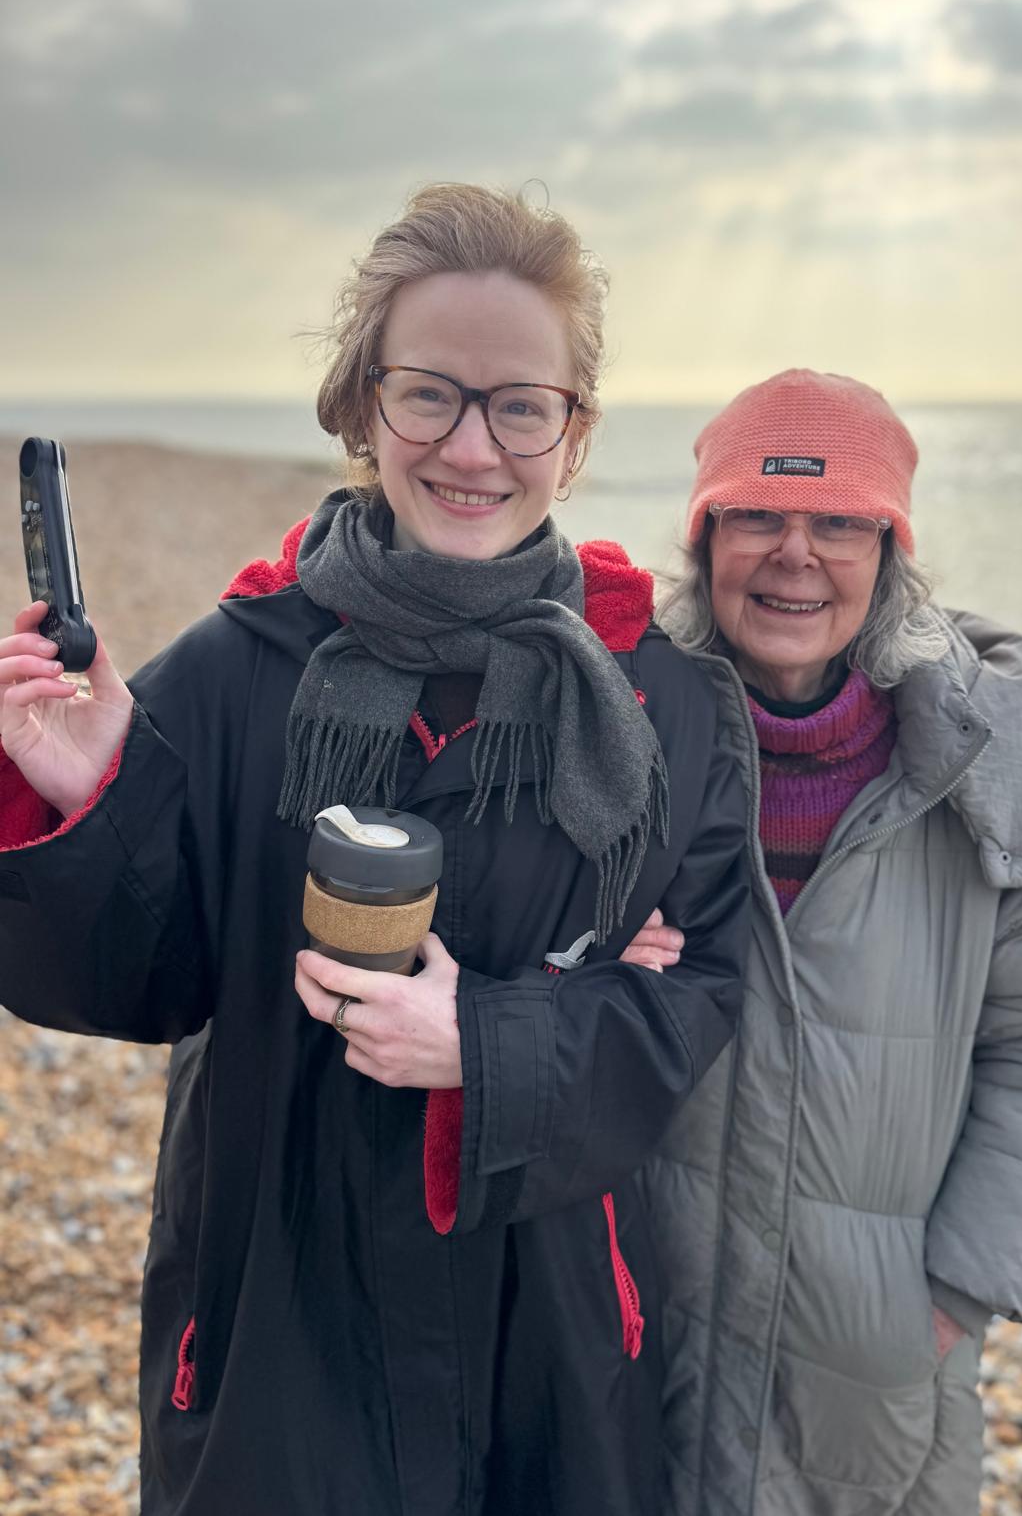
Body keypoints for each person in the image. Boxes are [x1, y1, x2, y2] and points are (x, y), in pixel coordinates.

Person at [0, 184, 751, 1516]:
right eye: (429, 395)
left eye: (521, 404)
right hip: (281, 1303)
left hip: (552, 1313)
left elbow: (695, 989)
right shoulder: (241, 664)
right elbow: (135, 977)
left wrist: (494, 1041)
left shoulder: (664, 703)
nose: (474, 446)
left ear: (570, 437)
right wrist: (89, 791)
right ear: (362, 405)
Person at [623, 368, 1022, 1515]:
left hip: (877, 1369)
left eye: (841, 521)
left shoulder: (990, 769)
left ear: (891, 553)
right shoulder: (624, 741)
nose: (797, 553)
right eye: (756, 515)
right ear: (704, 544)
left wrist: (949, 1297)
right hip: (642, 1330)